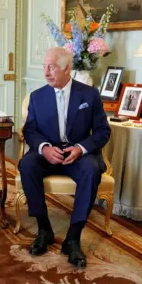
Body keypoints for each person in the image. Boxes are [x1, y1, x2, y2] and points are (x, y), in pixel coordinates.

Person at [18, 47, 111, 267]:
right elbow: (29, 130)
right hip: (47, 155)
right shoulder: (37, 97)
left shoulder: (89, 95)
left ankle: (73, 237)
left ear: (67, 68)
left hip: (77, 157)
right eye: (44, 67)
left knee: (91, 169)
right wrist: (44, 148)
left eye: (51, 67)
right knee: (28, 164)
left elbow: (102, 131)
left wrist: (80, 148)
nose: (46, 72)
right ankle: (44, 229)